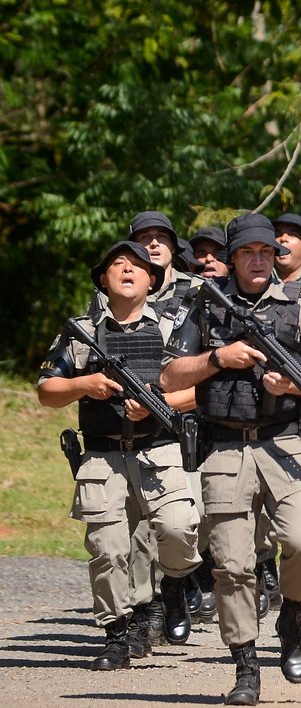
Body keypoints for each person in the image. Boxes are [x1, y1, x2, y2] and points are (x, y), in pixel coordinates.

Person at [160, 213, 301, 706]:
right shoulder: (203, 308)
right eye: (248, 253)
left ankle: (292, 618)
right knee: (232, 566)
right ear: (231, 258)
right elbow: (169, 376)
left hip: (286, 441)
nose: (258, 261)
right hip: (225, 447)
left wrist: (294, 385)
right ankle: (246, 666)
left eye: (266, 253)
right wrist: (217, 360)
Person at [37, 241, 203, 669]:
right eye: (117, 265)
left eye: (137, 266)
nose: (127, 269)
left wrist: (159, 403)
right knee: (108, 549)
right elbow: (47, 391)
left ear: (153, 279)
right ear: (103, 280)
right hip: (103, 455)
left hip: (159, 450)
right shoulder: (82, 331)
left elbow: (204, 391)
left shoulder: (174, 327)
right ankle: (118, 633)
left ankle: (174, 585)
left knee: (180, 530)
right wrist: (84, 385)